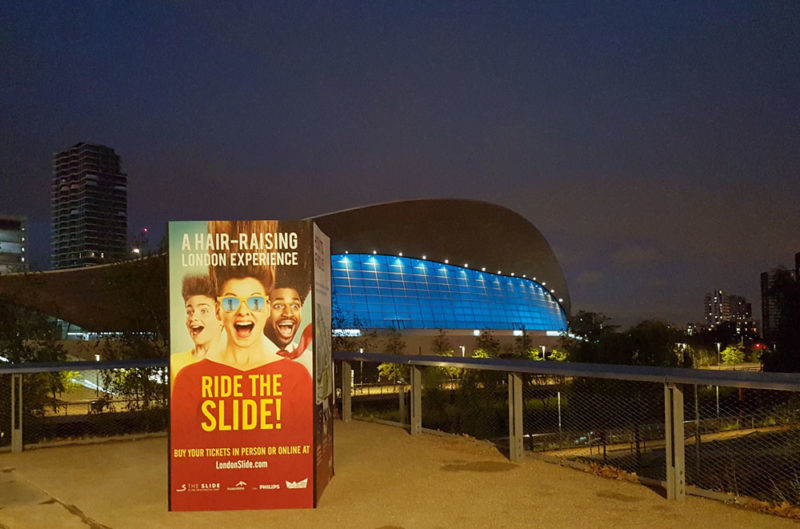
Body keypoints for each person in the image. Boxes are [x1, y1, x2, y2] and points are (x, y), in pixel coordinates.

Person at [170, 221, 314, 511]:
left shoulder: (297, 376)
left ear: (266, 309)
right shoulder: (188, 379)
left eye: (256, 301)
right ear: (219, 310)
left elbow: (297, 453)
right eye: (232, 301)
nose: (243, 310)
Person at [170, 275, 223, 385]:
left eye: (204, 310)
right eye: (189, 312)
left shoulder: (237, 362)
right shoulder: (174, 363)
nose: (193, 318)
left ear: (220, 316)